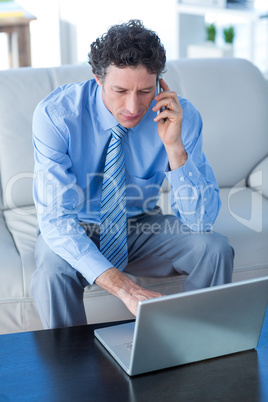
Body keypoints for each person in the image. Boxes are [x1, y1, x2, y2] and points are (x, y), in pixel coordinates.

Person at [31, 19, 234, 329]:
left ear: (160, 84)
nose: (132, 106)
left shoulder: (180, 117)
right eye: (120, 90)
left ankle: (201, 345)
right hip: (79, 225)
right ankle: (67, 367)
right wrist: (125, 288)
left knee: (215, 249)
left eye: (145, 91)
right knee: (51, 267)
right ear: (97, 79)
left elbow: (200, 222)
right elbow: (57, 222)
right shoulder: (57, 116)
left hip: (140, 225)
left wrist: (174, 148)